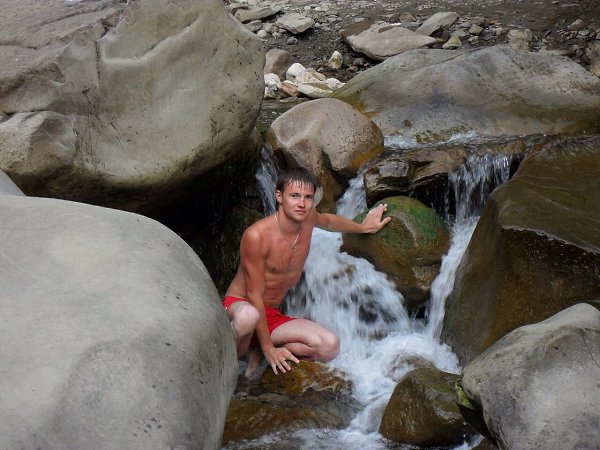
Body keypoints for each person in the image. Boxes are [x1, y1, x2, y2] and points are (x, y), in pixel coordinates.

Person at [223, 166, 391, 378]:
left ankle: (256, 348)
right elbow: (254, 295)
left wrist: (363, 227)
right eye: (294, 196)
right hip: (242, 305)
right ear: (279, 196)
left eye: (308, 197)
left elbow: (328, 222)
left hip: (271, 315)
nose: (301, 204)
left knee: (329, 346)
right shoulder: (257, 236)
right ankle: (232, 364)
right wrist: (269, 348)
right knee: (248, 317)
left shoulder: (308, 218)